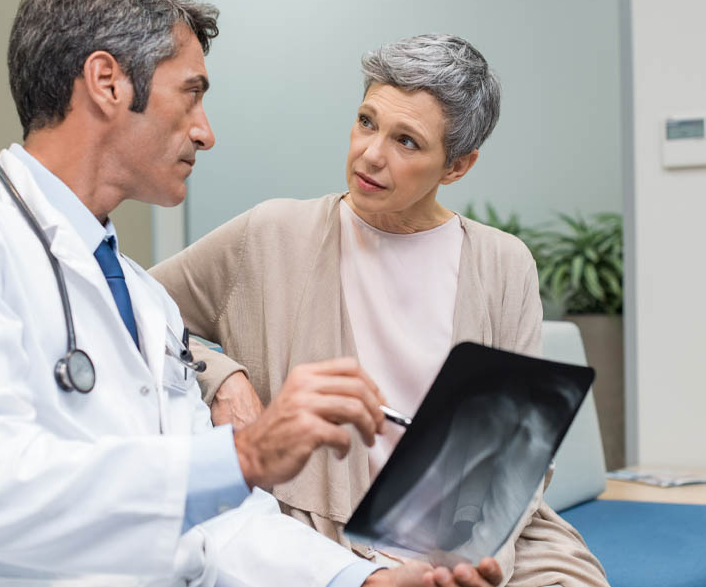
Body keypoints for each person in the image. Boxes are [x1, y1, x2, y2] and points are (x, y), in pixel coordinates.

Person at [0, 0, 500, 586]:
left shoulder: (146, 304)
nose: (205, 132)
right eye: (191, 94)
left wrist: (361, 581)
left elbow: (223, 524)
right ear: (107, 82)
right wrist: (244, 455)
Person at [151, 34, 609, 587]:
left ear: (457, 166)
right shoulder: (270, 234)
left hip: (473, 538)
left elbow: (517, 450)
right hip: (319, 532)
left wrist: (458, 559)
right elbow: (131, 307)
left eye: (407, 142)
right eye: (367, 122)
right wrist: (222, 376)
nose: (370, 153)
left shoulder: (504, 264)